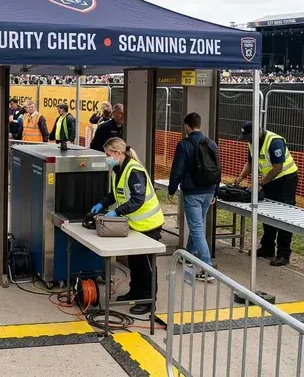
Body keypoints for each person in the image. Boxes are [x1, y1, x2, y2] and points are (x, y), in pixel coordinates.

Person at [89, 137, 164, 315]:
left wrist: (117, 212)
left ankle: (148, 301)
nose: (107, 158)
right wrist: (102, 203)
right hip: (135, 225)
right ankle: (136, 292)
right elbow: (115, 194)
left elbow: (137, 199)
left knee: (146, 265)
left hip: (149, 225)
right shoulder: (118, 170)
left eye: (108, 154)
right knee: (135, 262)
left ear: (118, 153)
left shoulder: (134, 170)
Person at [235, 121, 299, 267]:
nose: (248, 140)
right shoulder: (252, 142)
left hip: (285, 180)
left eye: (249, 137)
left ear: (258, 132)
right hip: (269, 180)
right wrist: (240, 177)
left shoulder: (274, 142)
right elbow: (250, 163)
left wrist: (260, 183)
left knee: (284, 215)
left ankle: (283, 254)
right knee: (267, 213)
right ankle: (267, 247)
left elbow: (277, 168)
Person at [168, 113, 220, 281]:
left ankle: (207, 267)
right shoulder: (211, 143)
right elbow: (217, 168)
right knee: (197, 224)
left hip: (192, 192)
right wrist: (215, 192)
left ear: (187, 126)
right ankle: (189, 254)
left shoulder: (184, 144)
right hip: (209, 190)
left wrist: (171, 189)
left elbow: (178, 169)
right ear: (200, 124)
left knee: (197, 228)